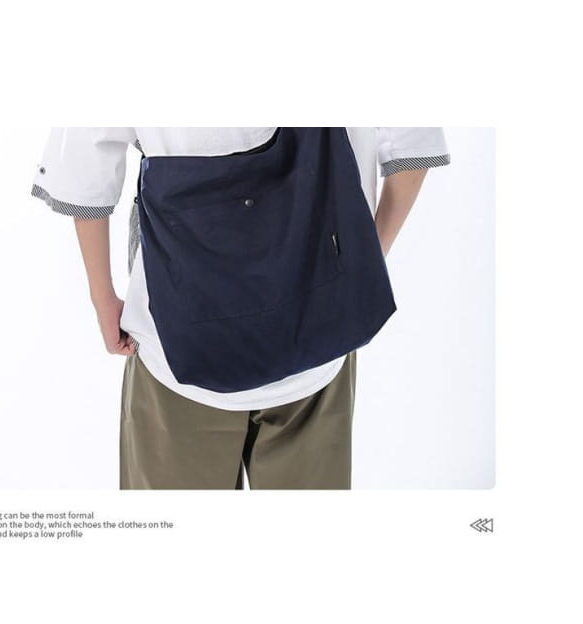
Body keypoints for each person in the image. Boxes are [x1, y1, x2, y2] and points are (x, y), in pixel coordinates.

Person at [31, 127, 450, 490]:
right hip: (318, 339)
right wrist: (361, 264)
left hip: (176, 346)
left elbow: (82, 164)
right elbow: (414, 142)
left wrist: (102, 297)